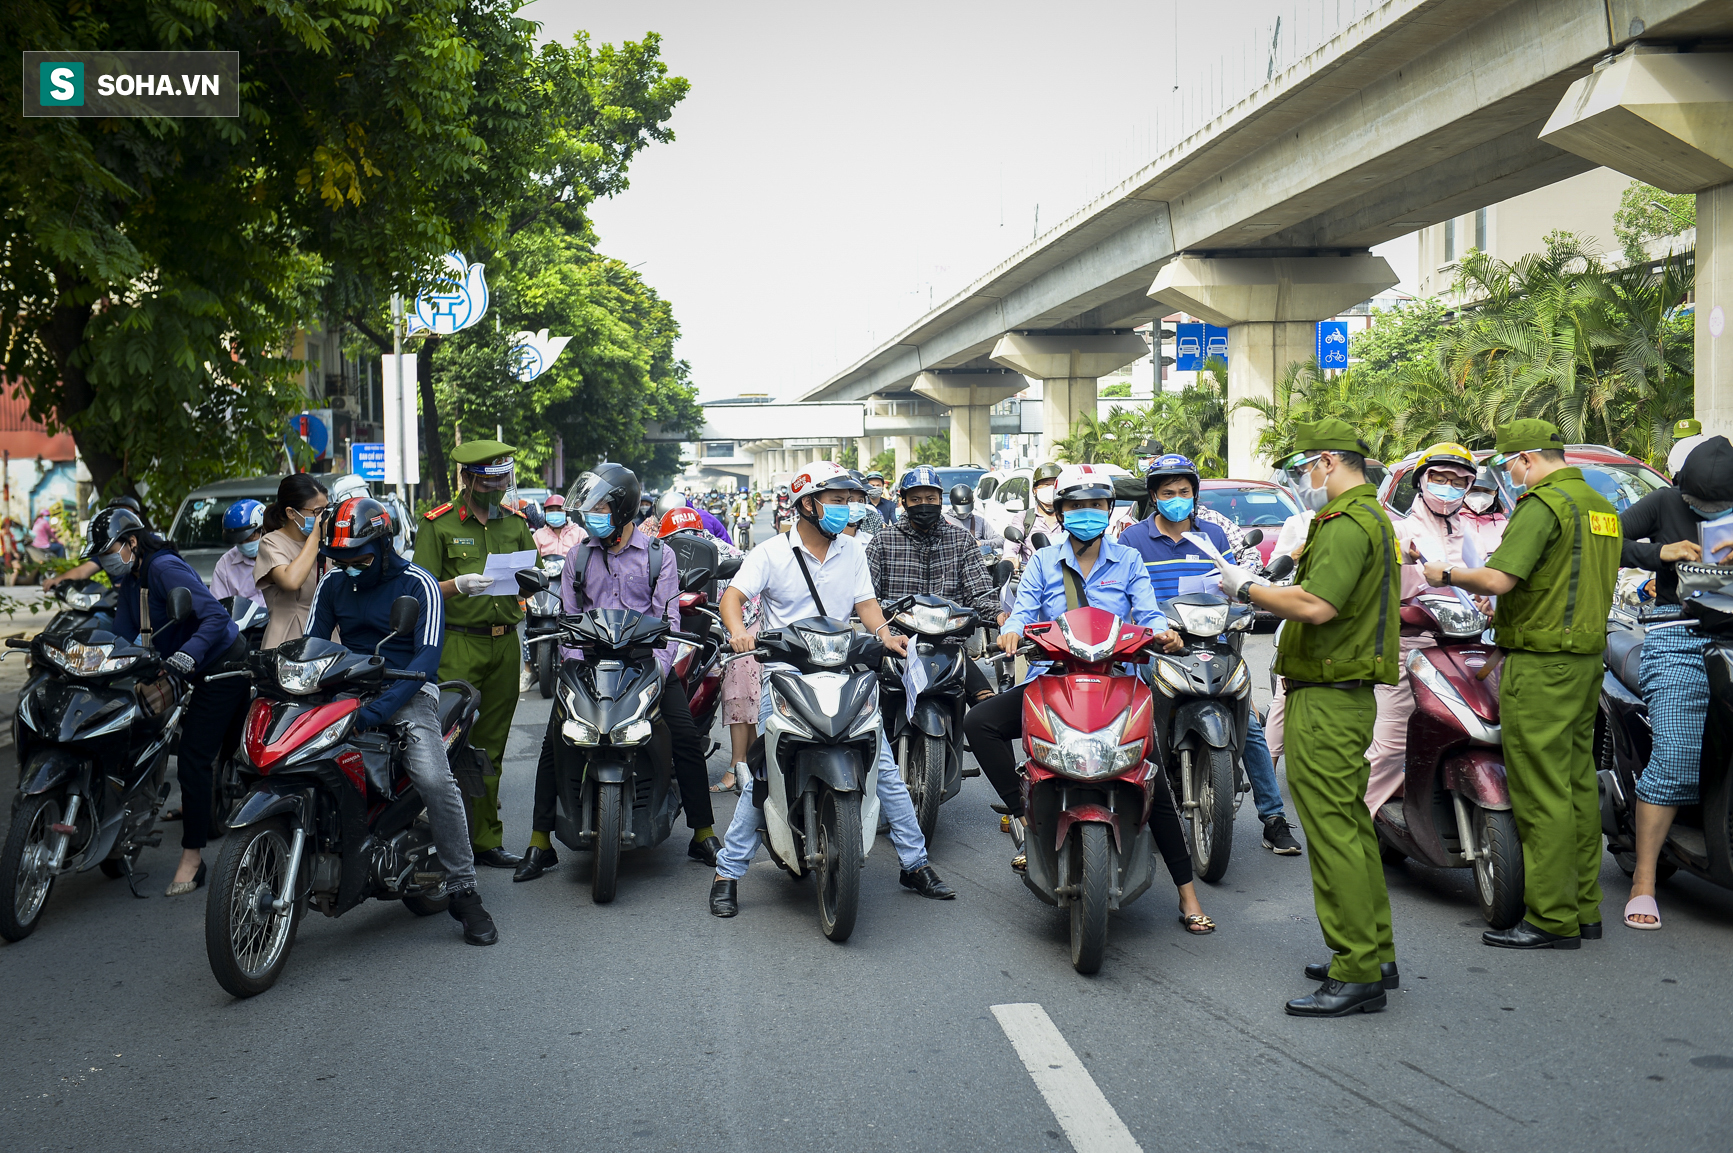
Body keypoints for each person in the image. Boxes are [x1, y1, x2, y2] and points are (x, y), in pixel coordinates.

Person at [964, 465, 1210, 928]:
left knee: (1148, 776)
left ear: (1109, 510)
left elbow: (1148, 611)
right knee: (979, 723)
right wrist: (1013, 633)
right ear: (1060, 512)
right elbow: (1022, 611)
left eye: (1097, 505)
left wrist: (1163, 634)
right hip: (1053, 680)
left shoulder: (1128, 561)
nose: (1087, 513)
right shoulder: (1042, 561)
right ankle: (1022, 816)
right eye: (1077, 506)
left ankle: (1187, 894)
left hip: (1118, 682)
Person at [710, 461, 956, 917]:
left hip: (843, 671)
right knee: (765, 773)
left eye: (850, 501)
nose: (848, 509)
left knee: (882, 765)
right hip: (786, 674)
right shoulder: (770, 553)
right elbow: (733, 598)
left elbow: (865, 604)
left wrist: (886, 635)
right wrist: (739, 633)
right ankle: (728, 873)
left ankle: (915, 862)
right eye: (838, 501)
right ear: (807, 503)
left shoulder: (853, 551)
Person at [1221, 420, 1400, 1016]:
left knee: (1332, 835)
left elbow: (1316, 605)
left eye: (1306, 469)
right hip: (1338, 693)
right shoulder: (1363, 518)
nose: (1305, 480)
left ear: (1328, 462)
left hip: (1327, 696)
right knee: (1349, 826)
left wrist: (1245, 588)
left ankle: (1356, 972)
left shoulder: (1349, 522)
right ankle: (1373, 953)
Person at [1421, 419, 1618, 950]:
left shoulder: (1543, 505)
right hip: (1584, 663)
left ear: (1528, 459)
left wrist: (1444, 574)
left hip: (1543, 665)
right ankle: (1584, 910)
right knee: (1577, 786)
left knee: (1539, 792)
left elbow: (1499, 579)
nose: (1510, 475)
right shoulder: (1599, 506)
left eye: (1510, 464)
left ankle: (1551, 919)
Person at [512, 465, 722, 880]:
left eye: (601, 506)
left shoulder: (659, 556)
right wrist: (572, 670)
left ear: (623, 509)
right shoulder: (578, 554)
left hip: (647, 660)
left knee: (683, 734)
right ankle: (539, 842)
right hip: (588, 663)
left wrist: (661, 672)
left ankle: (703, 832)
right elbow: (569, 621)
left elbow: (670, 622)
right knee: (554, 740)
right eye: (590, 507)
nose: (592, 514)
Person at [304, 497, 497, 944]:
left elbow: (427, 661)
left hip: (407, 690)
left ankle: (465, 891)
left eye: (360, 560)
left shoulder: (420, 584)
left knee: (433, 779)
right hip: (348, 691)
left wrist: (378, 710)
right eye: (341, 561)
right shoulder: (332, 584)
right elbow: (312, 644)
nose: (350, 569)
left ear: (386, 546)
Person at [1117, 454, 1299, 855]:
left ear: (1194, 494)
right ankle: (1134, 808)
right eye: (1168, 493)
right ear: (1154, 496)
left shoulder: (1213, 537)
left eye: (1184, 491)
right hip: (1157, 647)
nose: (1177, 498)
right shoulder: (1132, 540)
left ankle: (1273, 817)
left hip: (1212, 644)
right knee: (1133, 719)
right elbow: (1125, 597)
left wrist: (1244, 604)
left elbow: (1233, 586)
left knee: (1249, 723)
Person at [87, 506, 249, 896]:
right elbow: (123, 637)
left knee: (193, 758)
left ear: (130, 543)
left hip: (221, 663)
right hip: (178, 666)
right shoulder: (129, 583)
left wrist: (186, 657)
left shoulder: (163, 568)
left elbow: (213, 617)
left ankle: (193, 859)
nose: (105, 561)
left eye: (109, 551)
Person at [1611, 435, 1733, 929]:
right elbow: (1603, 541)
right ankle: (1644, 880)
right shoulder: (1662, 501)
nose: (1706, 512)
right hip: (1676, 635)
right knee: (1678, 752)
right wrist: (1660, 553)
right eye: (1697, 504)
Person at [414, 440, 537, 868]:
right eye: (490, 481)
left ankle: (485, 840)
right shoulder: (438, 524)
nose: (499, 488)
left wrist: (530, 584)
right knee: (447, 746)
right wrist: (457, 585)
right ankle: (440, 840)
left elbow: (527, 578)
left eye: (504, 479)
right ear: (468, 480)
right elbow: (422, 588)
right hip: (457, 642)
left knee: (490, 748)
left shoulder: (516, 523)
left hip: (505, 642)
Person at [1367, 444, 1506, 814]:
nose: (1449, 487)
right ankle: (1363, 824)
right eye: (1440, 479)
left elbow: (1484, 583)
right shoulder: (1400, 531)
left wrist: (1485, 601)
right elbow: (1380, 580)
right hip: (1408, 647)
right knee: (1391, 743)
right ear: (1422, 482)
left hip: (1463, 648)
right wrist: (1403, 556)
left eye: (1458, 481)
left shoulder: (1469, 534)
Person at [866, 467, 1004, 705]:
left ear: (941, 500)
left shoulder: (962, 541)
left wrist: (1000, 615)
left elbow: (979, 593)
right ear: (903, 502)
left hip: (949, 650)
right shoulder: (882, 542)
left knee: (988, 710)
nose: (924, 504)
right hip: (896, 646)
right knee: (862, 712)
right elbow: (866, 597)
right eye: (916, 499)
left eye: (930, 499)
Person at [255, 475, 331, 649]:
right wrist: (315, 537)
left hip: (326, 636)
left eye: (327, 510)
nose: (323, 518)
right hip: (288, 641)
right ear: (291, 513)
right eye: (317, 512)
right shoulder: (271, 543)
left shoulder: (328, 541)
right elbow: (291, 581)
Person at [1003, 462, 1065, 569]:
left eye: (1054, 484)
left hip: (1065, 576)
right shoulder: (1024, 518)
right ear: (1035, 489)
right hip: (1033, 577)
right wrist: (1010, 558)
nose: (1050, 488)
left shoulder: (1069, 517)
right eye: (1046, 484)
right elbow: (1011, 549)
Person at [209, 498, 267, 608]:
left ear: (263, 530)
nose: (244, 544)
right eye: (239, 540)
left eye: (249, 538)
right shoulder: (225, 564)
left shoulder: (283, 554)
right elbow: (218, 607)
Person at [944, 483, 1005, 550]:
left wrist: (981, 543)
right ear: (951, 502)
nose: (964, 514)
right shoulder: (944, 521)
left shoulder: (979, 521)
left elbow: (1000, 540)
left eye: (966, 509)